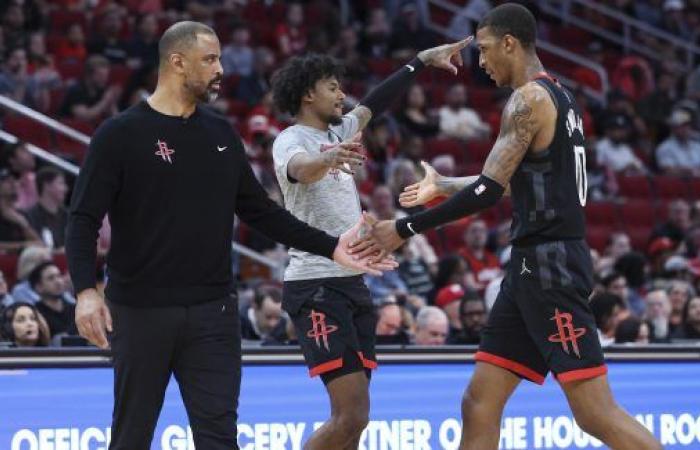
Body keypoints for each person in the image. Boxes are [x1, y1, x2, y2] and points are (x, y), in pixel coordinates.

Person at [65, 21, 393, 450]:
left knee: (220, 437)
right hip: (141, 310)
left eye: (219, 57)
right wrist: (86, 291)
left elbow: (260, 211)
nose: (221, 69)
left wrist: (333, 247)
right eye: (210, 59)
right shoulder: (120, 135)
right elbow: (82, 218)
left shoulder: (220, 133)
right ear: (177, 63)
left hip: (214, 311)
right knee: (131, 435)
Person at [351, 4, 662, 449]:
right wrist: (445, 185)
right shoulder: (560, 95)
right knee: (479, 401)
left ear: (510, 43)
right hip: (531, 267)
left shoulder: (528, 99)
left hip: (550, 265)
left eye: (484, 50)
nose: (480, 63)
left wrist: (402, 229)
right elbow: (526, 182)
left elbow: (489, 191)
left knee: (594, 413)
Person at [270, 38, 469, 450]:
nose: (342, 95)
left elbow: (377, 101)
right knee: (352, 415)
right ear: (308, 93)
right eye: (332, 87)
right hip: (316, 286)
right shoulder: (291, 140)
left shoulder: (339, 129)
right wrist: (326, 159)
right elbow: (300, 170)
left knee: (354, 424)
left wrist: (419, 61)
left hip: (353, 283)